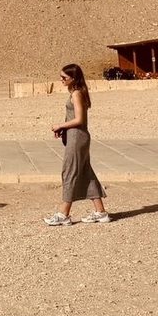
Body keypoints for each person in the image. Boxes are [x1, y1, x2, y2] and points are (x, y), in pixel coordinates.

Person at [45, 64, 110, 225]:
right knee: (85, 172)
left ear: (73, 78)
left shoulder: (76, 94)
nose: (61, 80)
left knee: (70, 172)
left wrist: (61, 125)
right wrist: (64, 129)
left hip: (77, 137)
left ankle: (64, 214)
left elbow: (80, 120)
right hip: (76, 135)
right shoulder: (76, 93)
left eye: (64, 78)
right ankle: (100, 211)